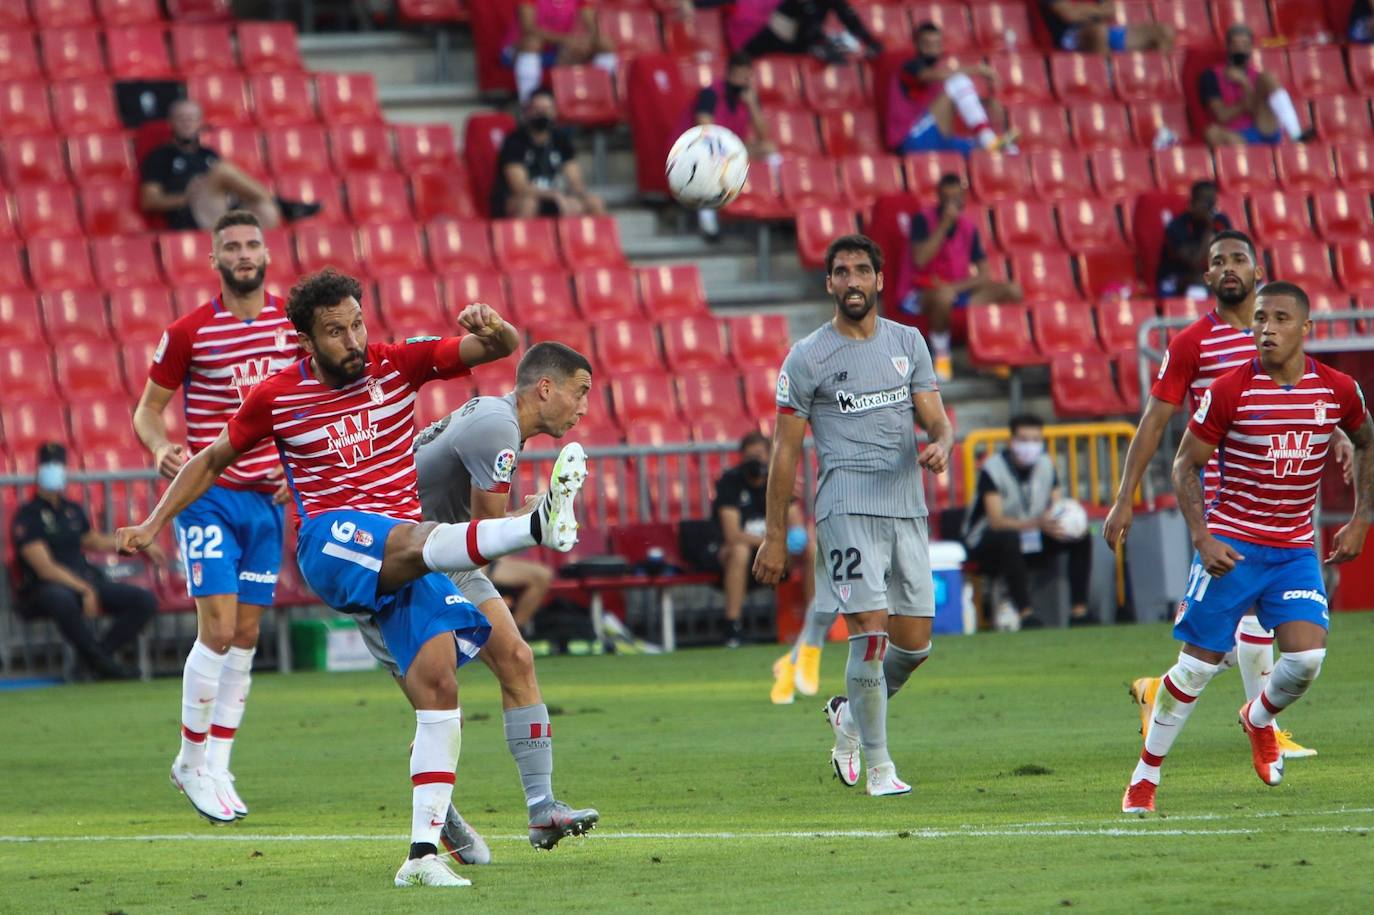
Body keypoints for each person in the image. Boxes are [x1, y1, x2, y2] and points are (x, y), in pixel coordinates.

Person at [116, 268, 588, 888]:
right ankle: (534, 528)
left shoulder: (398, 365)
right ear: (306, 342)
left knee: (438, 688)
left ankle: (422, 855)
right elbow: (210, 460)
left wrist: (494, 327)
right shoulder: (276, 396)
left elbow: (497, 351)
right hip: (332, 543)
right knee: (419, 541)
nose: (353, 339)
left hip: (402, 556)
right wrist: (153, 522)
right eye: (335, 331)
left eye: (357, 323)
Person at [1121, 280, 1373, 814]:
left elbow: (1368, 439)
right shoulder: (1231, 389)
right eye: (1260, 318)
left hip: (1292, 549)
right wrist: (1202, 536)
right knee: (1194, 669)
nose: (1266, 328)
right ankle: (1144, 778)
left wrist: (1360, 519)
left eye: (1281, 319)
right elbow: (1184, 464)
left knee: (1306, 659)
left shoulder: (1336, 390)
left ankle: (1258, 717)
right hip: (1233, 544)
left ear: (1306, 329)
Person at [1105, 231, 1341, 760]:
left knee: (1241, 638)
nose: (1229, 268)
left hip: (1280, 504)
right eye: (1218, 262)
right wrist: (1125, 496)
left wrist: (1342, 436)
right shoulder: (1192, 342)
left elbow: (1309, 398)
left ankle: (1160, 694)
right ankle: (1263, 730)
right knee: (1241, 633)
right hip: (1222, 511)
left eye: (1239, 259)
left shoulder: (1277, 334)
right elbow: (1154, 421)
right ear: (1206, 277)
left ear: (1259, 273)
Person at [359, 340, 597, 864]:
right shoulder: (497, 427)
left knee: (517, 658)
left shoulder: (496, 419)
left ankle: (542, 809)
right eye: (580, 393)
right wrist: (537, 521)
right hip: (394, 568)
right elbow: (487, 537)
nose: (584, 408)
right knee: (438, 706)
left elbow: (478, 539)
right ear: (545, 388)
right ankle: (440, 821)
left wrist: (532, 514)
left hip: (443, 556)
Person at [753, 234, 954, 798]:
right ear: (829, 285)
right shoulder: (807, 356)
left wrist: (942, 444)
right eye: (841, 272)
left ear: (880, 279)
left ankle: (848, 717)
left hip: (906, 505)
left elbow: (938, 421)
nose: (852, 281)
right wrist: (775, 536)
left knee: (913, 646)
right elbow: (785, 452)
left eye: (862, 270)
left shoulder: (909, 343)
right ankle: (881, 767)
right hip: (844, 506)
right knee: (869, 635)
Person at [132, 209, 302, 823]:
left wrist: (297, 466)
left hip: (266, 500)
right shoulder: (188, 333)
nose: (244, 254)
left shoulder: (295, 323)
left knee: (248, 636)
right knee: (219, 630)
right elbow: (147, 410)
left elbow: (320, 401)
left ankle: (219, 763)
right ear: (215, 260)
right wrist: (159, 447)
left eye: (252, 243)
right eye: (231, 246)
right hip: (208, 491)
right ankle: (188, 759)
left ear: (267, 253)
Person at [9, 443, 159, 681]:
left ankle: (96, 660)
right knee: (61, 599)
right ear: (38, 470)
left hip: (82, 578)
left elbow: (93, 540)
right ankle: (104, 664)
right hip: (44, 587)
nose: (54, 471)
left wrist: (142, 541)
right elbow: (45, 569)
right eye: (49, 465)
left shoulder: (72, 509)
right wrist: (84, 589)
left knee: (143, 600)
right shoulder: (28, 515)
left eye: (58, 465)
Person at [962, 414, 1094, 629]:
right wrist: (1037, 524)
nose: (1030, 446)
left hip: (1032, 535)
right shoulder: (992, 469)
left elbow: (1056, 504)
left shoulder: (1046, 465)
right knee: (1008, 538)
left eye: (1035, 440)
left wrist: (1062, 522)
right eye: (1024, 439)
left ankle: (1079, 611)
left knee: (1081, 536)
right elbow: (996, 521)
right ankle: (1025, 614)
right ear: (1011, 441)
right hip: (986, 541)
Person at [902, 173, 1023, 382]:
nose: (953, 204)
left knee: (1012, 290)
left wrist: (955, 287)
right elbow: (920, 260)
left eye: (957, 198)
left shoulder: (969, 227)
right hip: (921, 291)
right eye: (947, 198)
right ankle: (942, 357)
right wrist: (944, 226)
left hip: (956, 290)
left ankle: (991, 354)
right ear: (939, 197)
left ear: (964, 199)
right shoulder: (922, 220)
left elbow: (985, 274)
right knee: (942, 296)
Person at [138, 100, 318, 231]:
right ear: (171, 123)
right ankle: (283, 204)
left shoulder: (208, 154)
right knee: (222, 170)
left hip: (221, 210)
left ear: (200, 123)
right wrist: (186, 197)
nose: (187, 123)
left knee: (267, 211)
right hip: (189, 214)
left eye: (192, 119)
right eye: (181, 118)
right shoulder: (160, 156)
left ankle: (256, 262)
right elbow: (149, 201)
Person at [712, 430, 812, 652]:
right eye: (749, 456)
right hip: (742, 560)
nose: (755, 461)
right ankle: (732, 628)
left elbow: (796, 527)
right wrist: (772, 544)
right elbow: (733, 534)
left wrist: (793, 537)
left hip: (779, 557)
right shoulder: (731, 482)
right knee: (739, 550)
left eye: (759, 454)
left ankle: (814, 623)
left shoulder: (779, 479)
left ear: (770, 456)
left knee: (812, 549)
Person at [885, 22, 1016, 158]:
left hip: (937, 139)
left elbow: (958, 100)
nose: (932, 49)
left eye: (936, 44)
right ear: (917, 44)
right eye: (927, 44)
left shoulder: (939, 75)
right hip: (911, 139)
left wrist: (986, 103)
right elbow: (927, 76)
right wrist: (977, 69)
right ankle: (987, 137)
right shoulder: (911, 66)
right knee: (959, 81)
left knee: (1005, 150)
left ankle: (991, 142)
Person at [687, 51, 776, 241]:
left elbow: (764, 134)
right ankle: (708, 222)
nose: (742, 81)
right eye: (738, 76)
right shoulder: (710, 93)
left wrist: (752, 105)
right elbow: (704, 129)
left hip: (733, 148)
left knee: (770, 151)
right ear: (728, 74)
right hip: (704, 149)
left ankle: (776, 206)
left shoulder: (748, 97)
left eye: (746, 76)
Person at [491, 88, 606, 219]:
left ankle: (596, 239)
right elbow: (519, 187)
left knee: (594, 202)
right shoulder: (515, 141)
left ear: (555, 112)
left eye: (546, 110)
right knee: (529, 204)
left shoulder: (560, 139)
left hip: (555, 197)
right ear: (527, 112)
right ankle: (521, 239)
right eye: (537, 110)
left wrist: (577, 195)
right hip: (520, 199)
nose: (542, 114)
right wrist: (555, 195)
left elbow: (575, 180)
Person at [1199, 24, 1311, 148]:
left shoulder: (1258, 77)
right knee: (1212, 133)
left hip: (1264, 126)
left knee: (1269, 78)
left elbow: (1256, 111)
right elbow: (1222, 116)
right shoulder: (1211, 75)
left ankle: (1296, 134)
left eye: (1245, 45)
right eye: (1236, 44)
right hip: (1237, 134)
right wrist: (1244, 103)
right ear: (1228, 47)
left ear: (1251, 48)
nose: (1240, 49)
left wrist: (1245, 83)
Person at [504, 0, 617, 104]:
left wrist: (585, 42)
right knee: (533, 43)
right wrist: (567, 41)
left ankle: (598, 100)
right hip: (521, 50)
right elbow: (529, 29)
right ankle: (529, 103)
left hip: (557, 49)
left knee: (604, 44)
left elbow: (592, 30)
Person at [727, 0, 883, 62]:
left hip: (803, 40)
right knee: (746, 57)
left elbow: (848, 16)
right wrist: (819, 43)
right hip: (778, 36)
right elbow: (807, 18)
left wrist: (868, 40)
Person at [1157, 181, 1232, 298]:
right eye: (1206, 203)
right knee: (1198, 287)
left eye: (1212, 203)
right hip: (1175, 277)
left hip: (1206, 275)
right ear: (1192, 204)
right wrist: (1208, 230)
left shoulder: (1221, 221)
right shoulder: (1177, 226)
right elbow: (1194, 262)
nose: (1210, 209)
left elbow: (1229, 255)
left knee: (1250, 282)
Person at [1040, 1, 1173, 54]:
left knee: (1164, 32)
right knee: (1099, 33)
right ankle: (1109, 80)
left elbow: (1111, 9)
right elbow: (1069, 15)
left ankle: (1155, 83)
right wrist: (1097, 10)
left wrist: (1083, 10)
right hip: (1069, 36)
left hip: (1102, 28)